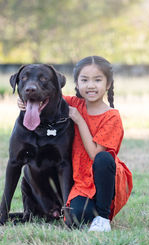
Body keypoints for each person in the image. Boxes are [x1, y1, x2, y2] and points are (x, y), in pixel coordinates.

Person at [18, 56, 133, 232]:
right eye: (84, 80)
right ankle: (86, 210)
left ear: (108, 84)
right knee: (76, 217)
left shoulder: (112, 117)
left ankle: (103, 217)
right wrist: (27, 99)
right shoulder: (72, 103)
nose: (91, 85)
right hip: (81, 182)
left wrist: (79, 120)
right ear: (77, 84)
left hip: (104, 179)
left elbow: (95, 155)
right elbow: (46, 95)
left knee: (103, 158)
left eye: (97, 80)